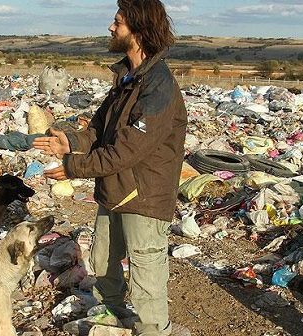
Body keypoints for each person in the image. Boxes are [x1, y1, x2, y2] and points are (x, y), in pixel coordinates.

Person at [33, 1, 187, 335]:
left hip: (145, 197)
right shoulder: (127, 78)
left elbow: (126, 151)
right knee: (102, 263)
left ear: (139, 30)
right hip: (115, 190)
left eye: (118, 22)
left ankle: (155, 331)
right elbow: (99, 129)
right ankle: (119, 316)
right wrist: (70, 143)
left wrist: (74, 167)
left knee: (146, 278)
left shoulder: (159, 86)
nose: (111, 27)